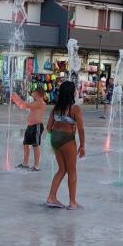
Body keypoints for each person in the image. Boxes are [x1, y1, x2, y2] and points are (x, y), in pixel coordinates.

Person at [45, 81, 86, 209]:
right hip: (67, 139)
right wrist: (82, 145)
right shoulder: (75, 109)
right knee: (72, 171)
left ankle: (51, 197)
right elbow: (81, 129)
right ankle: (72, 202)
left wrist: (57, 136)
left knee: (62, 169)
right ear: (72, 93)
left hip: (55, 138)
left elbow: (48, 127)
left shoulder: (55, 108)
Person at [10, 88, 47, 171]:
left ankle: (36, 166)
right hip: (30, 126)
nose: (32, 93)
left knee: (35, 145)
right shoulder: (35, 102)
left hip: (36, 126)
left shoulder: (40, 103)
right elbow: (23, 106)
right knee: (26, 144)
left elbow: (25, 106)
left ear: (37, 93)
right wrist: (16, 100)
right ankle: (25, 163)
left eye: (33, 92)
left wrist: (17, 98)